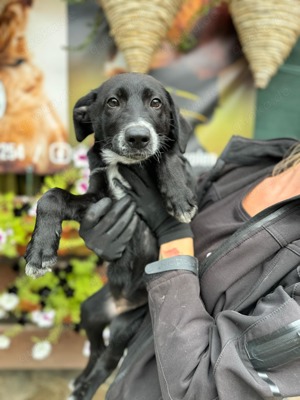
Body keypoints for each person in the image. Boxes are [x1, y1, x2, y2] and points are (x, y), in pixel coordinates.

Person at [79, 135, 300, 400]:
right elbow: (181, 272)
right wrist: (125, 239)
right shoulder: (258, 163)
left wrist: (172, 235)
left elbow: (200, 390)